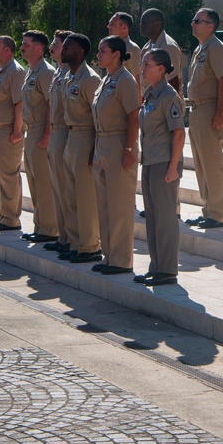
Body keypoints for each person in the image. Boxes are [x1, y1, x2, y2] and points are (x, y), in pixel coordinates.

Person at [135, 49, 185, 286]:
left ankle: (167, 270)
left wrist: (173, 166)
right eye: (142, 64)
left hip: (164, 162)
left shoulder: (168, 96)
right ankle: (156, 267)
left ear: (161, 69)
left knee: (165, 218)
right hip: (150, 161)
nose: (142, 69)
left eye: (147, 65)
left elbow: (178, 133)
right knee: (153, 218)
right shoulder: (150, 94)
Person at [91, 36, 140, 274]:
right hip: (102, 142)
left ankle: (122, 260)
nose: (99, 55)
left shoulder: (125, 80)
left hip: (119, 143)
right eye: (99, 50)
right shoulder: (106, 79)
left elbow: (133, 117)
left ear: (117, 55)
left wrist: (129, 150)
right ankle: (108, 256)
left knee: (119, 206)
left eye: (103, 51)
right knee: (104, 205)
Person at [183, 8, 223, 230]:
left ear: (210, 26)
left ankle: (217, 214)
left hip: (210, 108)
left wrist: (220, 112)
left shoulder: (216, 48)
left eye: (197, 21)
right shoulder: (201, 48)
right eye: (193, 20)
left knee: (212, 164)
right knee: (201, 165)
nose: (192, 23)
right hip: (196, 110)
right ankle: (208, 210)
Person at [60, 33, 103, 262]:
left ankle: (90, 246)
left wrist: (94, 148)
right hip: (71, 137)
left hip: (86, 136)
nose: (63, 50)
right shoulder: (70, 76)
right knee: (71, 196)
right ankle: (76, 243)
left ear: (81, 52)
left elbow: (97, 116)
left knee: (86, 197)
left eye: (68, 47)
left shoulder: (90, 79)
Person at [19, 30, 59, 243]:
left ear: (39, 48)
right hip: (30, 130)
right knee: (34, 181)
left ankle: (49, 229)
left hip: (40, 132)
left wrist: (46, 134)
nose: (22, 47)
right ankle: (40, 225)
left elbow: (51, 105)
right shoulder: (32, 70)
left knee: (43, 182)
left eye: (26, 44)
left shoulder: (45, 72)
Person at [0, 36, 26, 232]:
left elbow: (20, 103)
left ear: (8, 50)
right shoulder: (2, 70)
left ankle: (11, 219)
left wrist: (17, 130)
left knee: (8, 176)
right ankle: (4, 215)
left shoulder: (15, 71)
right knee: (2, 176)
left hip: (8, 132)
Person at [43, 31, 74, 255]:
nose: (52, 47)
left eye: (57, 44)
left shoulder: (72, 75)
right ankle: (63, 236)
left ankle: (73, 238)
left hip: (66, 134)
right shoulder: (58, 74)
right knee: (57, 190)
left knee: (67, 190)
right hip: (56, 133)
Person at [140, 8, 182, 96]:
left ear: (157, 24)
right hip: (151, 104)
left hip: (164, 105)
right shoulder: (146, 48)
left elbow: (173, 81)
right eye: (141, 22)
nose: (141, 25)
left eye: (145, 23)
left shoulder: (168, 46)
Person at [108, 12, 143, 85]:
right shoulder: (110, 47)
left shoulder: (132, 49)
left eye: (113, 24)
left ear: (124, 28)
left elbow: (138, 80)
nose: (108, 26)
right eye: (109, 23)